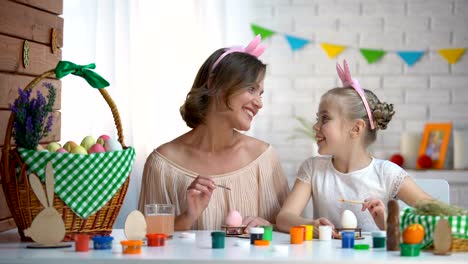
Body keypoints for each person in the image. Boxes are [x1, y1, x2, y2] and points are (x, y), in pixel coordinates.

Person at [138, 35, 289, 231]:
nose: (259, 103)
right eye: (251, 89)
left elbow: (290, 233)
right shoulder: (162, 164)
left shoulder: (264, 158)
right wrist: (187, 216)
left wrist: (268, 226)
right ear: (214, 82)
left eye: (260, 94)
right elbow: (147, 241)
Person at [276, 60, 431, 235]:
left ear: (356, 128)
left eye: (325, 119)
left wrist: (388, 224)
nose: (315, 126)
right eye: (317, 118)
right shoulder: (313, 169)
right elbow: (284, 218)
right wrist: (311, 226)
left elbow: (437, 213)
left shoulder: (387, 173)